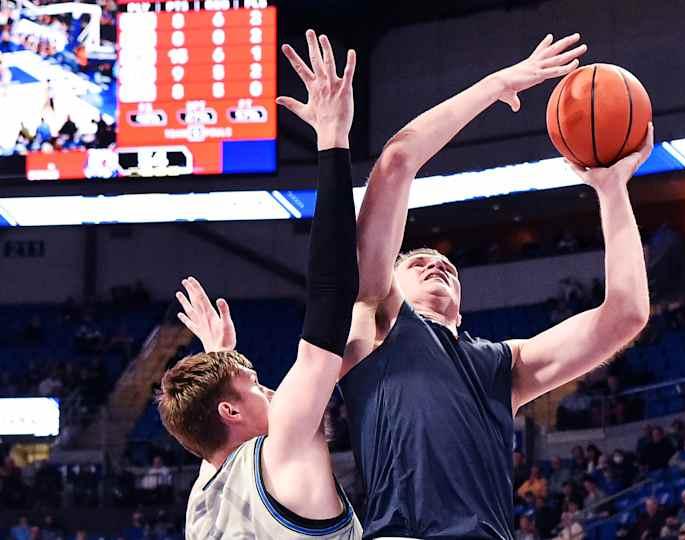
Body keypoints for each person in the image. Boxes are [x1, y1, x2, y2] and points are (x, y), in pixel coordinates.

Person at [336, 30, 651, 539]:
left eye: (448, 268)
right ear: (386, 279)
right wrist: (498, 84)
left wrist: (612, 190)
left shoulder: (503, 367)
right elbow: (397, 162)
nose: (438, 265)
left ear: (461, 306)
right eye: (417, 263)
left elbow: (626, 315)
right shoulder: (376, 321)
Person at [158, 31, 362, 539]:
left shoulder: (202, 501)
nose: (274, 391)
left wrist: (220, 357)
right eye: (257, 388)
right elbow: (331, 297)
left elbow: (216, 431)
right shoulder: (284, 452)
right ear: (228, 411)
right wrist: (333, 142)